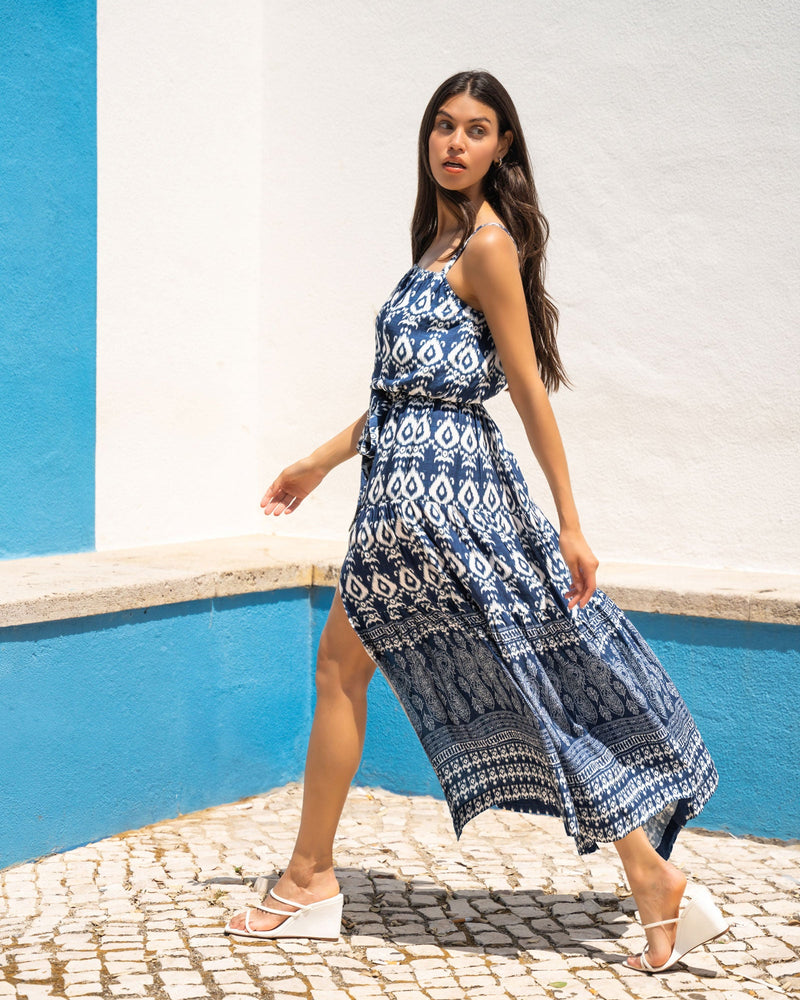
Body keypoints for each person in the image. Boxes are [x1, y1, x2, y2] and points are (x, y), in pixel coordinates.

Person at [224, 70, 727, 973]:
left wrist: (571, 521)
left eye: (477, 129)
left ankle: (308, 879)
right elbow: (406, 394)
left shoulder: (488, 246)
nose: (455, 143)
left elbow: (528, 389)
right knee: (487, 672)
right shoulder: (436, 243)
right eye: (444, 126)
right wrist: (318, 460)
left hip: (443, 505)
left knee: (369, 669)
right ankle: (653, 881)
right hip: (404, 496)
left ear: (503, 147)